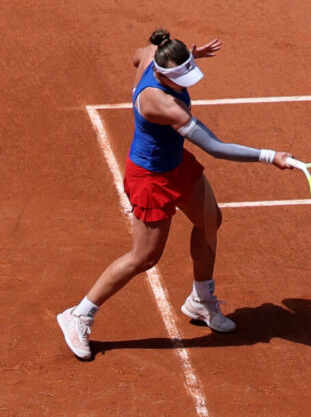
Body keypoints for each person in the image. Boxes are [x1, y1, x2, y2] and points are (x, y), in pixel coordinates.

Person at [56, 29, 294, 360]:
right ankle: (79, 314)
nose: (187, 84)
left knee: (210, 221)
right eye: (182, 76)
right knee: (144, 258)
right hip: (151, 177)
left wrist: (190, 53)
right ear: (164, 75)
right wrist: (271, 156)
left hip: (175, 163)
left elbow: (137, 56)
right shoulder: (162, 103)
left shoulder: (154, 54)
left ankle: (200, 301)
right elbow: (216, 147)